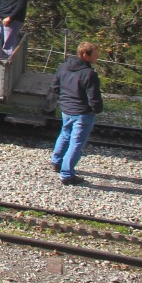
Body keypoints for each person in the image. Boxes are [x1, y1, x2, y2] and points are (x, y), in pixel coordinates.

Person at [51, 42, 104, 185]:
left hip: (67, 109)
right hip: (82, 113)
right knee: (76, 143)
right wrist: (97, 109)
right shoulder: (89, 74)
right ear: (85, 55)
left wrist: (63, 101)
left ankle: (56, 162)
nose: (98, 56)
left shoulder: (63, 67)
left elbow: (55, 86)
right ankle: (67, 174)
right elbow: (94, 97)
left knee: (65, 134)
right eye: (95, 53)